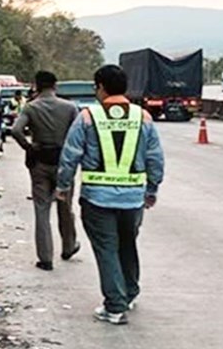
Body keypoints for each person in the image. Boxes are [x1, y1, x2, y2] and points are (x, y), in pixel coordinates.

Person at [56, 64, 164, 325]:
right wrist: (152, 189)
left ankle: (115, 306)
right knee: (128, 244)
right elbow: (155, 159)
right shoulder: (143, 118)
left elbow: (70, 155)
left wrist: (63, 186)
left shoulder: (87, 117)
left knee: (107, 249)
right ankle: (128, 293)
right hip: (133, 199)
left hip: (97, 198)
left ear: (101, 87)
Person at [10, 71, 80, 271]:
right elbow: (78, 135)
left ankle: (45, 258)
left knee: (42, 210)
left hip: (40, 163)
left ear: (36, 86)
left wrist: (29, 147)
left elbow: (16, 130)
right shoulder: (69, 108)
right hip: (63, 163)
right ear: (55, 86)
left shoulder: (31, 108)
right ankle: (68, 246)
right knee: (65, 207)